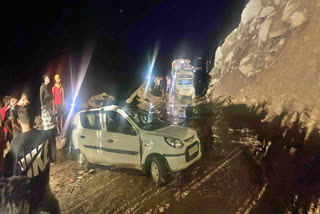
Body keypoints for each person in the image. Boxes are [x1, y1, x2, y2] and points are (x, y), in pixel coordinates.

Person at [4, 106, 60, 213]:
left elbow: (13, 172)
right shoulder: (46, 136)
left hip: (26, 195)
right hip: (44, 190)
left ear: (19, 122)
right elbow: (53, 158)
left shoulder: (15, 143)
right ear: (34, 119)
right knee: (54, 208)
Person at [41, 98, 57, 163]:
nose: (51, 104)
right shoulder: (46, 110)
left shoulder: (44, 110)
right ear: (48, 102)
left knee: (49, 145)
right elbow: (51, 119)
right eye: (51, 102)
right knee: (52, 145)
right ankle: (53, 160)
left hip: (46, 130)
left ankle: (50, 160)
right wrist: (55, 118)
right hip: (50, 129)